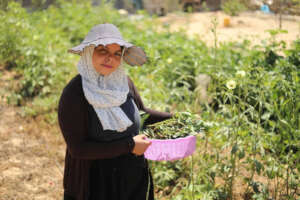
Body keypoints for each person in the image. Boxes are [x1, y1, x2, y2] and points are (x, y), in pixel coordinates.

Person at [58, 23, 172, 200]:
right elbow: (78, 149)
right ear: (88, 53)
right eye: (102, 51)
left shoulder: (124, 83)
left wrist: (177, 119)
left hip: (131, 179)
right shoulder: (75, 93)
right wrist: (130, 146)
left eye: (117, 53)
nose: (110, 58)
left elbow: (142, 114)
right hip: (94, 184)